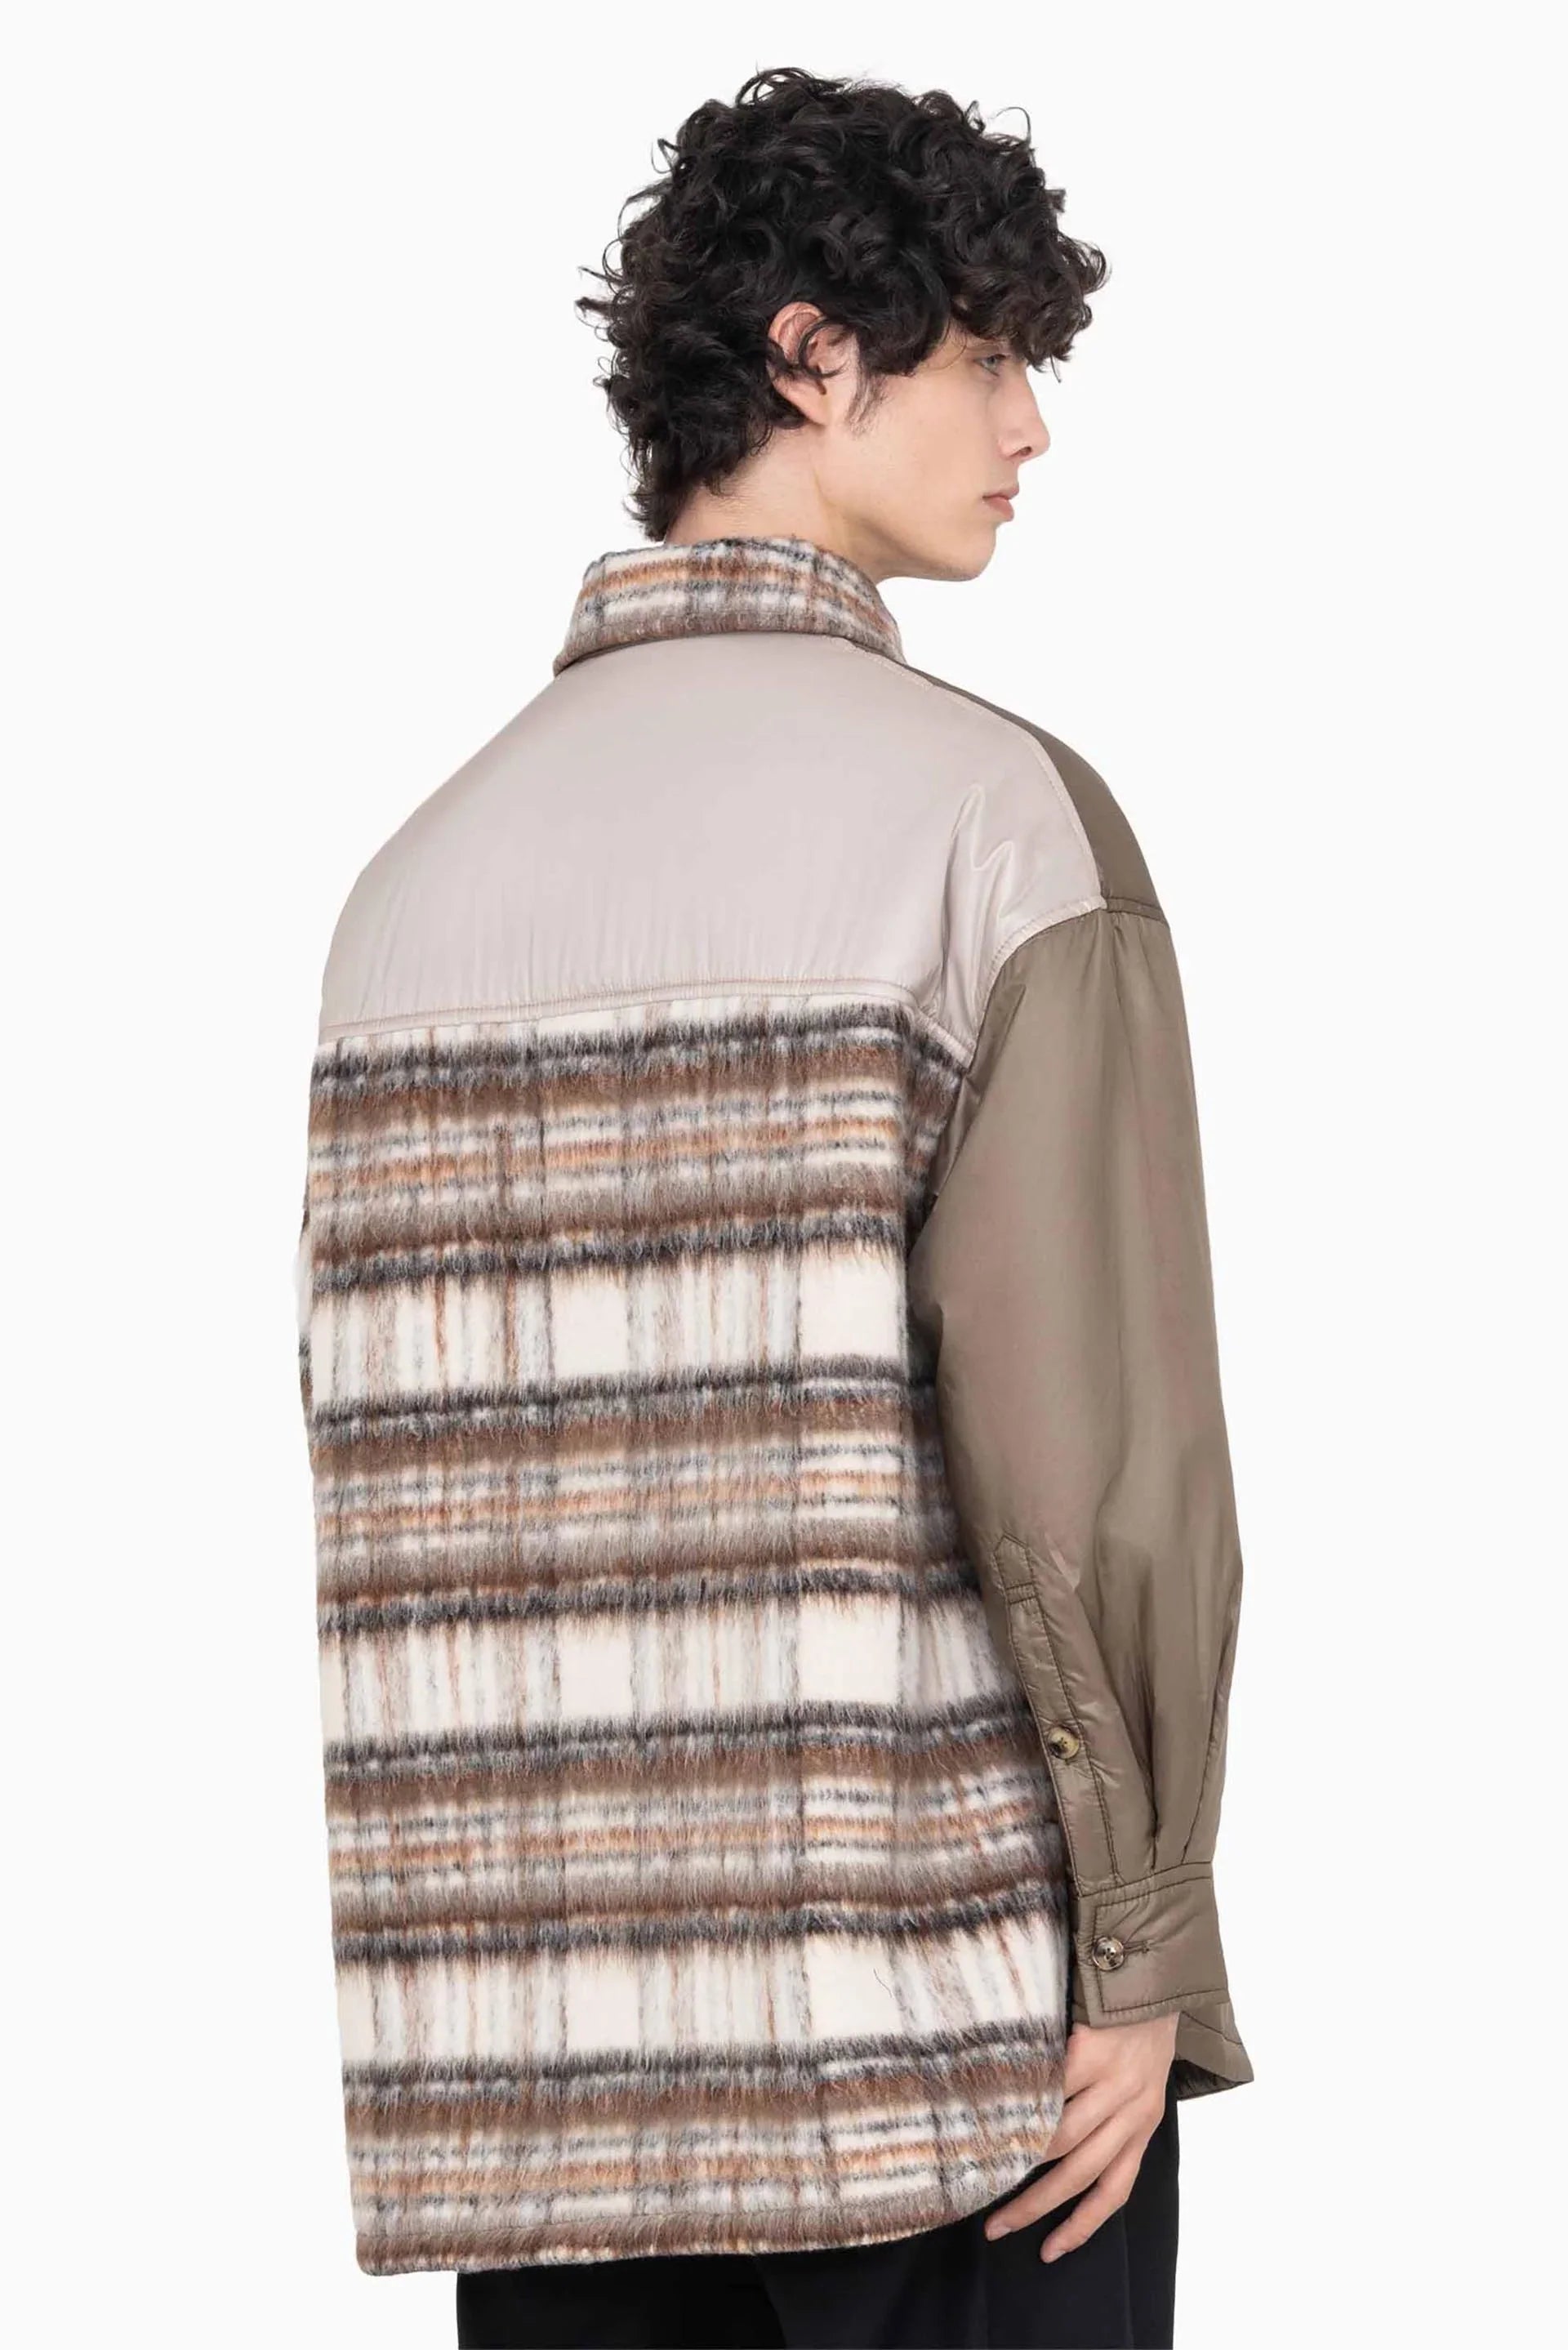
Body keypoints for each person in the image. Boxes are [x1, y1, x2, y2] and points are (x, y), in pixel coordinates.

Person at [293, 64, 1251, 2350]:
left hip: (534, 2105)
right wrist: (1145, 1942)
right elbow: (1095, 1462)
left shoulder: (405, 888)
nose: (1032, 428)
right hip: (944, 2067)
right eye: (990, 356)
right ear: (817, 358)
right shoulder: (992, 823)